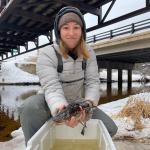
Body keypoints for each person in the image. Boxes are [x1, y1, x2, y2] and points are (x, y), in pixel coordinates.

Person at [18, 6, 118, 146]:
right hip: (51, 102)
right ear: (59, 31)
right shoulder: (47, 53)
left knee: (111, 128)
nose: (71, 33)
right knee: (29, 108)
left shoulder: (89, 52)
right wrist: (61, 110)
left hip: (79, 102)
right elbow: (51, 86)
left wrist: (88, 106)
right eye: (66, 27)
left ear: (82, 31)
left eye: (76, 27)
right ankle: (36, 145)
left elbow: (93, 83)